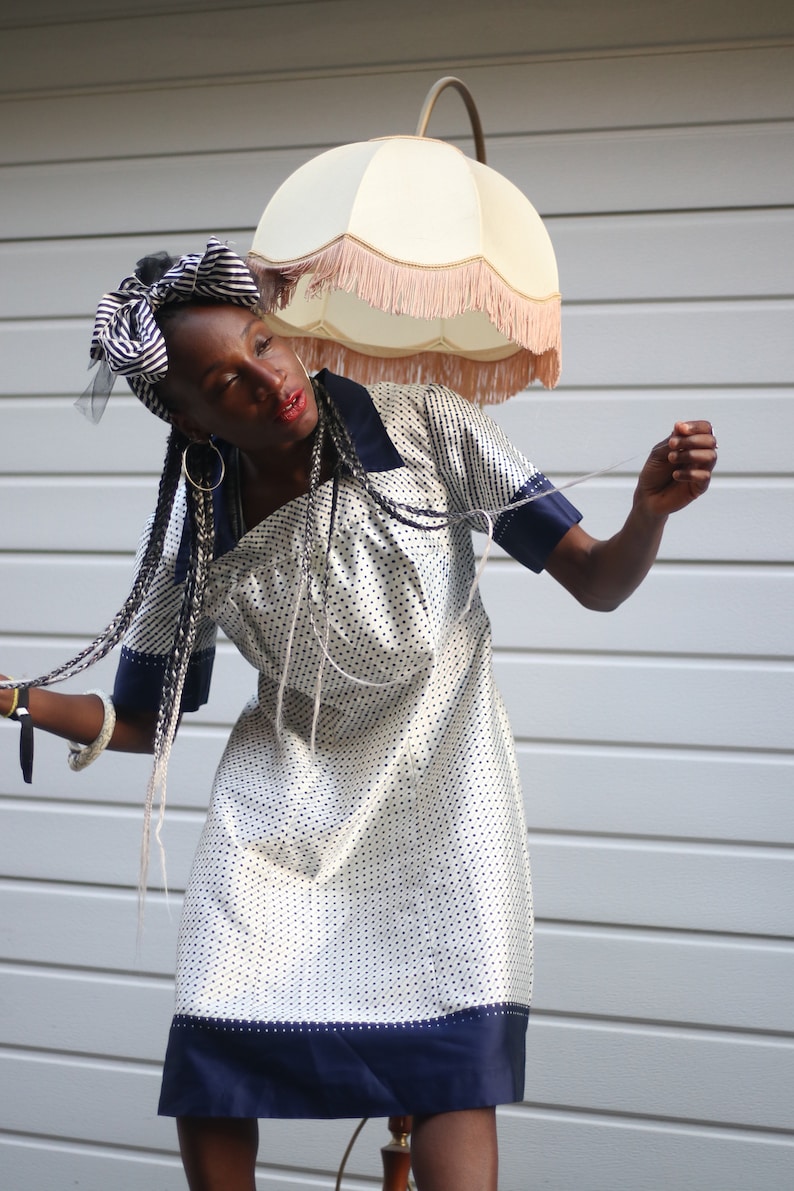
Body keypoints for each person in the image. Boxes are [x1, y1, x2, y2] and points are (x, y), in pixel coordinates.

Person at [1, 239, 717, 1191]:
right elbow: (140, 719)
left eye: (265, 341)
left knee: (452, 1063)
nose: (269, 377)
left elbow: (595, 579)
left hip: (441, 784)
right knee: (216, 1044)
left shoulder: (423, 424)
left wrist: (650, 515)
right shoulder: (205, 531)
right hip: (283, 812)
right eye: (227, 379)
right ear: (186, 413)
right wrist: (8, 694)